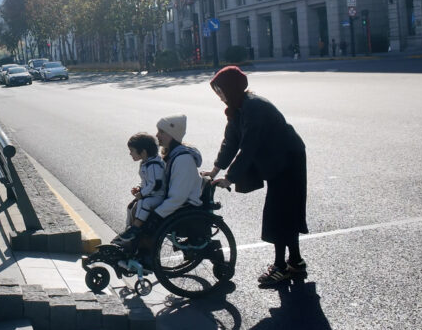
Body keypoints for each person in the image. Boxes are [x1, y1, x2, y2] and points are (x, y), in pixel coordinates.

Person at [202, 66, 308, 287]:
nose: (219, 96)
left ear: (231, 89)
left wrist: (230, 178)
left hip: (288, 161)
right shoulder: (237, 108)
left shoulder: (254, 107)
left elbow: (249, 145)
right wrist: (214, 170)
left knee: (279, 215)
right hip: (277, 162)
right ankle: (295, 263)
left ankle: (281, 268)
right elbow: (230, 142)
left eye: (221, 90)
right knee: (284, 214)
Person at [116, 115, 203, 250]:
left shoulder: (183, 160)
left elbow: (178, 197)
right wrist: (141, 189)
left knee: (147, 215)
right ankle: (130, 244)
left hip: (185, 205)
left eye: (161, 132)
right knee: (135, 206)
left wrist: (157, 215)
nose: (157, 135)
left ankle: (144, 254)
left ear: (173, 134)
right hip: (173, 200)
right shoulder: (170, 154)